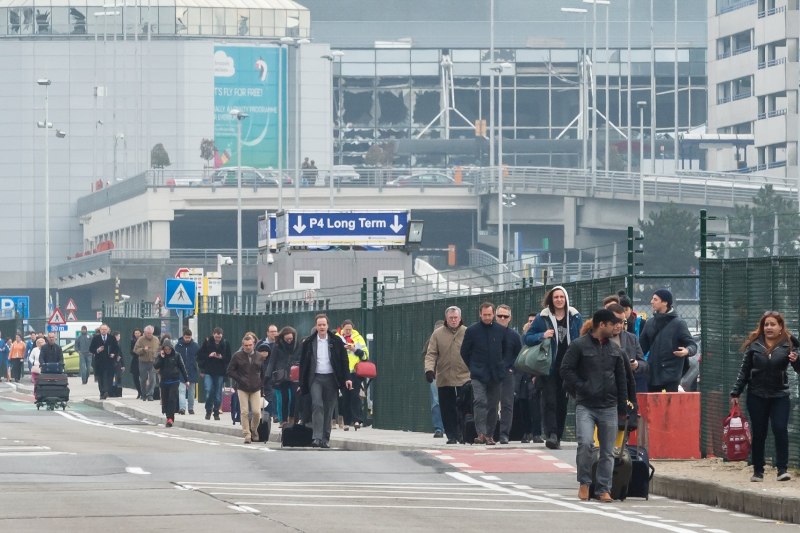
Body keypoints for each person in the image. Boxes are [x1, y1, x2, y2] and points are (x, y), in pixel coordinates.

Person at [560, 309, 628, 503]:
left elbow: (622, 380)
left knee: (608, 451)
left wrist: (623, 407)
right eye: (613, 324)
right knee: (585, 443)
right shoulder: (579, 346)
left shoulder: (615, 349)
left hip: (609, 406)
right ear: (601, 325)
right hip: (586, 405)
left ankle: (603, 489)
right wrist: (582, 386)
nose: (617, 327)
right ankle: (584, 483)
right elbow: (565, 370)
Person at [730, 311, 800, 482]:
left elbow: (798, 369)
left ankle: (782, 469)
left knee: (780, 429)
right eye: (766, 324)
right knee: (759, 432)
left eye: (772, 324)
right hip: (757, 395)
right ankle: (758, 470)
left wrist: (796, 360)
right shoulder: (754, 345)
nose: (769, 328)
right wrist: (736, 392)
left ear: (780, 327)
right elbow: (744, 371)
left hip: (780, 395)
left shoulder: (789, 344)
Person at [524, 285, 583, 450]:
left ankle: (559, 433)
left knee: (562, 401)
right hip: (548, 365)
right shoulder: (542, 317)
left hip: (569, 365)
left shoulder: (575, 316)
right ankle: (552, 435)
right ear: (551, 299)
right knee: (549, 400)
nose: (559, 300)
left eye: (561, 297)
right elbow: (527, 338)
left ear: (566, 299)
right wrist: (542, 335)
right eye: (555, 297)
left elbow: (582, 335)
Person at [460, 302, 514, 445]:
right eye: (485, 315)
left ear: (493, 314)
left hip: (496, 374)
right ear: (480, 314)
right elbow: (464, 351)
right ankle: (481, 433)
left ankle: (489, 434)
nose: (487, 317)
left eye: (490, 315)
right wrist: (472, 366)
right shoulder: (472, 331)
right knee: (480, 401)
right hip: (478, 374)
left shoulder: (500, 330)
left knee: (493, 405)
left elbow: (507, 350)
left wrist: (504, 366)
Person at [299, 314, 352, 448]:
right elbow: (303, 363)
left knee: (329, 409)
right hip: (315, 378)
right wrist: (302, 382)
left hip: (331, 378)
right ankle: (316, 437)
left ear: (328, 326)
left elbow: (344, 361)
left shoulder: (336, 341)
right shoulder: (309, 342)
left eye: (324, 324)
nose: (322, 327)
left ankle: (325, 438)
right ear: (316, 326)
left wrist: (347, 378)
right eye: (319, 325)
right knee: (317, 405)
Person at [424, 306, 470, 444]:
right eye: (451, 318)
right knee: (446, 408)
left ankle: (463, 433)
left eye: (456, 317)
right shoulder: (437, 334)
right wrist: (429, 370)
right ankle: (452, 435)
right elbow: (431, 353)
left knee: (464, 407)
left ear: (460, 318)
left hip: (464, 377)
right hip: (444, 377)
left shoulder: (467, 332)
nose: (454, 320)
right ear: (446, 319)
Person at [639, 288, 697, 393]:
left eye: (655, 299)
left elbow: (692, 344)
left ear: (665, 302)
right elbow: (640, 349)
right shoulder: (649, 323)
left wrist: (687, 351)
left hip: (671, 376)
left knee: (670, 406)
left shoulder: (679, 324)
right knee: (653, 406)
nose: (651, 302)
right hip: (652, 374)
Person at [263, 326, 302, 427]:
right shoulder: (278, 346)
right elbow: (272, 361)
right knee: (285, 398)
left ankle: (292, 418)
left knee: (294, 397)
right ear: (283, 337)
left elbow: (301, 358)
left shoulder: (298, 345)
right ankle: (284, 420)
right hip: (282, 375)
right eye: (287, 339)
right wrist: (267, 376)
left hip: (294, 374)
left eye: (291, 339)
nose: (289, 341)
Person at [336, 319, 369, 430]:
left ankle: (357, 420)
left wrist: (354, 349)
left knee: (355, 396)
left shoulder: (358, 338)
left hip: (355, 373)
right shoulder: (337, 338)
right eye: (346, 330)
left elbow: (365, 356)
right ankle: (346, 421)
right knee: (345, 397)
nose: (348, 332)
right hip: (342, 373)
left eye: (350, 329)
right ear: (342, 329)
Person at [495, 304, 521, 445]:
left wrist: (513, 369)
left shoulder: (514, 336)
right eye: (500, 316)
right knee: (488, 404)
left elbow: (520, 355)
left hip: (507, 374)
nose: (503, 318)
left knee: (507, 405)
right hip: (490, 373)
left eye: (505, 316)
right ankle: (488, 433)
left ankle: (504, 434)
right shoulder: (489, 333)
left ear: (510, 318)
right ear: (495, 316)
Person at [197, 327, 232, 421]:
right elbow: (200, 355)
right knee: (208, 390)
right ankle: (208, 410)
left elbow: (229, 358)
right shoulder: (207, 342)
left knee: (217, 394)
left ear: (222, 336)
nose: (217, 339)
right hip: (208, 371)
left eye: (219, 337)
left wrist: (221, 357)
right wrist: (209, 355)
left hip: (220, 372)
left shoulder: (225, 344)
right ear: (213, 334)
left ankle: (216, 411)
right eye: (216, 337)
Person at [154, 338, 189, 428]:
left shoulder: (176, 355)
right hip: (164, 381)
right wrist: (161, 357)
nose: (167, 351)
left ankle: (170, 419)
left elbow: (182, 367)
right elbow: (156, 365)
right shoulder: (161, 356)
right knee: (165, 400)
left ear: (171, 348)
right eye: (165, 349)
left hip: (174, 380)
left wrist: (186, 380)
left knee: (172, 399)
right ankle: (168, 417)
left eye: (169, 349)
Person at [521, 313, 543, 443]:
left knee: (535, 405)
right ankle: (526, 432)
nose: (531, 323)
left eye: (534, 321)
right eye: (529, 321)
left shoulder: (541, 338)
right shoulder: (522, 338)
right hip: (521, 375)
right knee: (523, 404)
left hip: (534, 375)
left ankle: (537, 433)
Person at [424, 320, 445, 439]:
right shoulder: (430, 342)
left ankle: (453, 427)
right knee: (436, 402)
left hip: (451, 376)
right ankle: (438, 428)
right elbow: (427, 356)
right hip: (436, 375)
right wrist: (429, 370)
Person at [89, 324, 122, 400]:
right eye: (102, 329)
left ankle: (106, 391)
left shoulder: (112, 338)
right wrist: (97, 350)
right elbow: (91, 349)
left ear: (107, 330)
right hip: (99, 362)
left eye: (105, 329)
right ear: (100, 330)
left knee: (109, 377)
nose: (103, 331)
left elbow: (116, 348)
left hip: (109, 361)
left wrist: (114, 354)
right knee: (100, 378)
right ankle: (102, 392)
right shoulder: (96, 338)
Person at [175, 328, 200, 415]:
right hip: (181, 371)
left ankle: (190, 408)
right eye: (186, 337)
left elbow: (199, 358)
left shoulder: (195, 346)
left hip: (192, 371)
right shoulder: (178, 346)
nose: (187, 339)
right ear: (183, 336)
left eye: (189, 337)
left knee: (191, 391)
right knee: (181, 390)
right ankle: (182, 408)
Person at [133, 325, 160, 401]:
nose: (149, 335)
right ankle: (143, 394)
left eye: (150, 333)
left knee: (152, 379)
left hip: (153, 362)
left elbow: (159, 349)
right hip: (143, 362)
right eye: (147, 333)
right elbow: (135, 350)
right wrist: (143, 350)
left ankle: (150, 394)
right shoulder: (141, 339)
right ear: (144, 333)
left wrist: (158, 354)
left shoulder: (156, 339)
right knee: (143, 379)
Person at [129, 328, 143, 399]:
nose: (137, 334)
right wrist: (136, 352)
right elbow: (131, 351)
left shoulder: (144, 340)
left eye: (138, 333)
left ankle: (143, 392)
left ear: (141, 333)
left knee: (143, 377)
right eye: (135, 333)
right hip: (135, 361)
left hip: (143, 360)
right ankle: (139, 391)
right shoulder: (132, 341)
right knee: (135, 377)